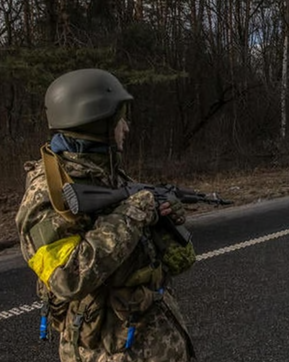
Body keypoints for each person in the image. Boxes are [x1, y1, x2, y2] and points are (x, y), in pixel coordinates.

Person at [15, 69, 196, 361]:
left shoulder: (107, 176)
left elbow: (150, 257)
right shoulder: (49, 191)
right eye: (119, 119)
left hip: (153, 343)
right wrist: (136, 212)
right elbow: (67, 278)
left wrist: (164, 221)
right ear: (96, 122)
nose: (126, 127)